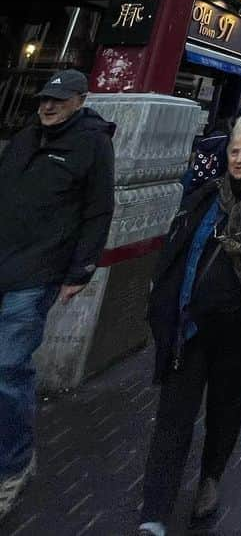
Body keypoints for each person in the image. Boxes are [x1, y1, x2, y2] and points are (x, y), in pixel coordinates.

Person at [136, 119, 241, 534]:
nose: (239, 158)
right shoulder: (205, 197)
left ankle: (210, 478)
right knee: (174, 417)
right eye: (234, 151)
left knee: (226, 412)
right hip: (189, 328)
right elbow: (176, 249)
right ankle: (154, 510)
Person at [0, 71, 115, 522]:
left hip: (37, 272)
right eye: (45, 99)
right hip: (5, 262)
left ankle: (13, 464)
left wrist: (80, 269)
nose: (48, 107)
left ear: (80, 101)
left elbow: (98, 209)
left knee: (8, 367)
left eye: (58, 100)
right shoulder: (26, 138)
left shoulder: (91, 143)